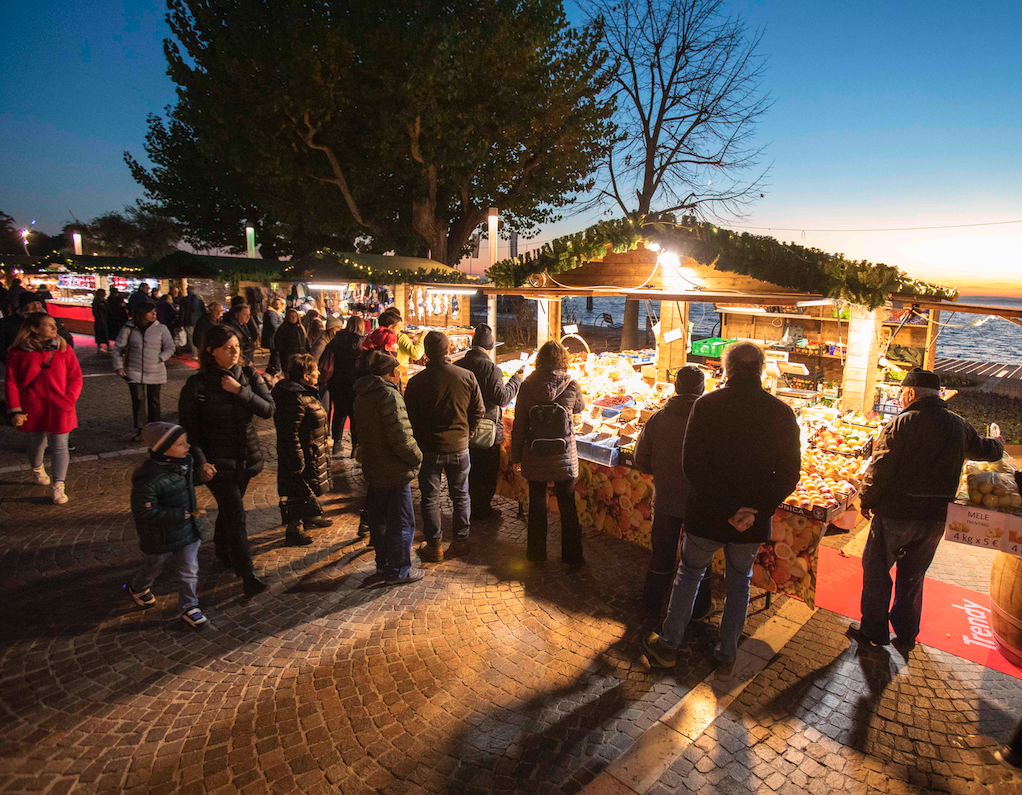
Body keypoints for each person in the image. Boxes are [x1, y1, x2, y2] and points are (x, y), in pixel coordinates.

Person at [643, 342, 801, 680]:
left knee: (688, 577)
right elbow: (790, 474)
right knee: (739, 584)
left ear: (725, 369)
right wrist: (753, 511)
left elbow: (693, 465)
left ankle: (668, 645)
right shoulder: (782, 413)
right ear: (760, 369)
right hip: (751, 523)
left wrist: (728, 508)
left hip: (707, 515)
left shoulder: (707, 405)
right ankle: (726, 655)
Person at [853, 367, 1003, 650]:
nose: (900, 399)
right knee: (913, 577)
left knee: (877, 571)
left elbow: (879, 469)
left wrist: (866, 499)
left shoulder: (901, 423)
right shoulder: (959, 425)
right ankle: (907, 634)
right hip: (935, 518)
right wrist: (997, 441)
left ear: (910, 393)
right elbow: (989, 451)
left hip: (897, 513)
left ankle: (874, 631)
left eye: (901, 394)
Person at [178, 325, 275, 596]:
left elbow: (268, 409)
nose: (235, 352)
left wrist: (239, 391)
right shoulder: (196, 385)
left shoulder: (248, 376)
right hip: (217, 462)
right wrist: (201, 461)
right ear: (212, 351)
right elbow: (189, 429)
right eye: (227, 348)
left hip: (246, 458)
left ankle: (222, 549)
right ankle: (247, 574)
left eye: (236, 346)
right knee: (236, 513)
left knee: (230, 509)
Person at [635, 365, 713, 618]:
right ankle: (699, 608)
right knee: (699, 559)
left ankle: (652, 604)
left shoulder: (659, 418)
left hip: (666, 498)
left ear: (676, 387)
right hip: (700, 502)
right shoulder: (712, 419)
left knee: (662, 555)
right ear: (702, 389)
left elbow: (640, 458)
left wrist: (660, 473)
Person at [405, 331, 485, 562]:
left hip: (428, 448)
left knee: (430, 497)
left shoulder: (416, 382)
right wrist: (468, 431)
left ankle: (434, 545)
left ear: (427, 353)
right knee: (460, 495)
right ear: (448, 349)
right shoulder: (466, 376)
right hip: (459, 446)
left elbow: (410, 416)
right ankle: (460, 541)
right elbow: (479, 410)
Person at [126, 422, 215, 628]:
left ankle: (189, 606)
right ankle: (139, 587)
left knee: (189, 570)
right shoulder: (148, 479)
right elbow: (143, 511)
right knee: (154, 566)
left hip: (187, 531)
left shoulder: (184, 463)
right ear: (163, 449)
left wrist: (203, 476)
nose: (187, 447)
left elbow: (185, 485)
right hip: (161, 535)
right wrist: (180, 514)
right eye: (180, 444)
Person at [510, 340, 585, 565]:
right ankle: (572, 556)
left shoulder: (527, 385)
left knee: (537, 504)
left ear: (540, 360)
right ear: (562, 359)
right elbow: (579, 408)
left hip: (534, 455)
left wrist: (515, 458)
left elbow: (519, 425)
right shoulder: (572, 384)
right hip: (564, 457)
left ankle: (536, 554)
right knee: (567, 506)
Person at [354, 351, 425, 585]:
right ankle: (399, 570)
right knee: (401, 522)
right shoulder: (388, 395)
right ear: (393, 372)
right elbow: (401, 438)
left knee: (380, 521)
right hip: (393, 470)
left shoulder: (363, 393)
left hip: (375, 468)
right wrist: (417, 457)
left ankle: (384, 564)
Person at [4, 312, 83, 504]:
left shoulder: (63, 348)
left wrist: (69, 399)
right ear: (34, 328)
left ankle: (58, 485)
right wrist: (15, 409)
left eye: (55, 324)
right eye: (49, 325)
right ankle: (37, 468)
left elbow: (75, 377)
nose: (55, 328)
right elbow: (11, 382)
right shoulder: (18, 352)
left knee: (60, 446)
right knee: (38, 443)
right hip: (33, 405)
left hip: (61, 405)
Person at [456, 323, 523, 520]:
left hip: (463, 427)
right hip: (487, 431)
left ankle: (468, 508)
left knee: (469, 471)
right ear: (491, 347)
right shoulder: (491, 369)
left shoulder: (459, 365)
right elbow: (501, 398)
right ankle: (482, 510)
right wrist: (516, 380)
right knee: (485, 472)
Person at [271, 353, 333, 546]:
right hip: (303, 452)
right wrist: (297, 458)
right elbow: (290, 432)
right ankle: (294, 529)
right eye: (315, 369)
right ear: (305, 375)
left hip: (311, 449)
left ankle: (309, 517)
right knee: (297, 486)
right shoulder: (295, 398)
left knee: (307, 486)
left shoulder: (306, 393)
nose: (318, 372)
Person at [113, 301, 176, 441]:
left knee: (154, 400)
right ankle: (141, 429)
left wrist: (160, 358)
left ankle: (156, 429)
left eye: (155, 311)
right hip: (134, 370)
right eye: (150, 312)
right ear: (142, 313)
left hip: (155, 370)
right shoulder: (129, 328)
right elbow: (118, 347)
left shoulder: (161, 328)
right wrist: (118, 366)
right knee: (138, 400)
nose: (154, 314)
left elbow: (170, 347)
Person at [321, 316, 365, 456]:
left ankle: (337, 444)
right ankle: (355, 447)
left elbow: (325, 358)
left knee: (339, 413)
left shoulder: (336, 340)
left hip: (337, 382)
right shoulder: (361, 343)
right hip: (354, 382)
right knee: (355, 415)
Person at [0, 292, 74, 365]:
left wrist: (65, 357)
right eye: (31, 303)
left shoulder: (51, 319)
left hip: (52, 362)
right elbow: (3, 347)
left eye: (38, 303)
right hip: (23, 365)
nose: (36, 306)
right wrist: (11, 363)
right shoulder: (9, 323)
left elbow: (66, 337)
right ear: (23, 306)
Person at [273, 307, 309, 375]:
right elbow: (278, 344)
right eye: (291, 316)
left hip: (301, 355)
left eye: (295, 316)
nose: (293, 318)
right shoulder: (283, 329)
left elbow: (306, 340)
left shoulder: (300, 328)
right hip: (288, 357)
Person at [261, 298, 285, 375]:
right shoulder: (272, 313)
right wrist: (283, 325)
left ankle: (271, 370)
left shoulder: (275, 313)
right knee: (275, 355)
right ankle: (275, 371)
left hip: (274, 339)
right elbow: (274, 326)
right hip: (273, 339)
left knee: (274, 355)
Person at [179, 287, 206, 355]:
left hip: (188, 321)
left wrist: (181, 323)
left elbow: (182, 312)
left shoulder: (184, 300)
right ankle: (199, 352)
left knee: (191, 338)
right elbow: (204, 311)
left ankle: (195, 353)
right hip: (198, 321)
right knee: (198, 337)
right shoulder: (199, 300)